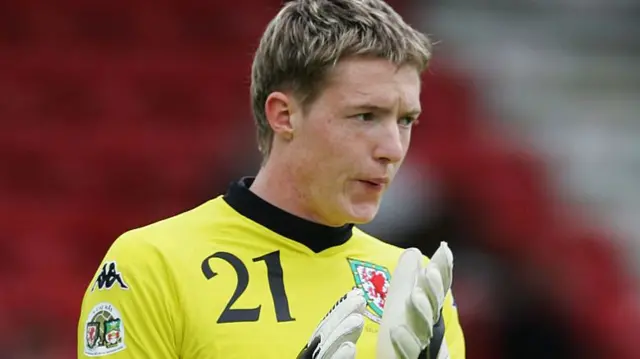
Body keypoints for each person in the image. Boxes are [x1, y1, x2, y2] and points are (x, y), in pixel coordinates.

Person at [77, 0, 465, 358]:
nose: (393, 149)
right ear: (284, 116)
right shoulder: (151, 265)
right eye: (365, 116)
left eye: (406, 120)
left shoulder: (415, 288)